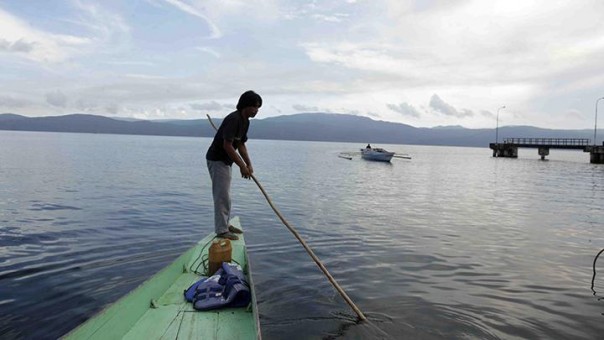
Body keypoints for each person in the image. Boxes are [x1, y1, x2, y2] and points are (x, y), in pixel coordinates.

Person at [206, 90, 262, 240]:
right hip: (217, 160)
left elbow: (240, 143)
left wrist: (248, 164)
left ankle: (225, 224)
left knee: (226, 196)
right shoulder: (234, 119)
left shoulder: (245, 121)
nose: (256, 110)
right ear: (245, 106)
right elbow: (228, 146)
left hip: (226, 161)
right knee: (221, 195)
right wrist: (241, 166)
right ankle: (222, 231)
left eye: (258, 108)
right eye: (254, 107)